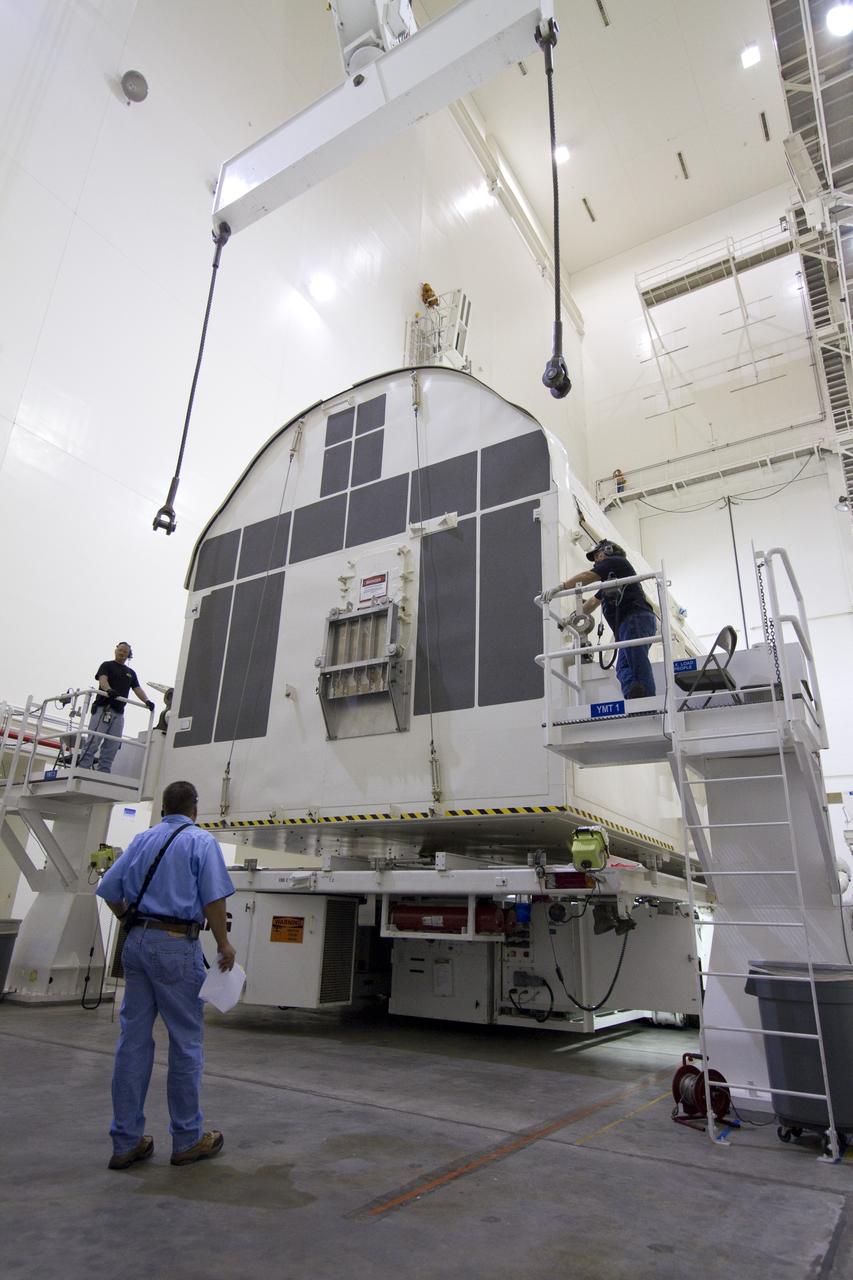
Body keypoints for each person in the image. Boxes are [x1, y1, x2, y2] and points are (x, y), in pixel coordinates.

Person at [96, 779, 236, 1170]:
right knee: (186, 1041)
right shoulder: (200, 841)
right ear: (195, 807)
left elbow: (108, 889)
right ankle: (188, 1139)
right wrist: (224, 945)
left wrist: (128, 919)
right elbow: (213, 899)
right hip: (176, 945)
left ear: (162, 807)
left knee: (133, 1041)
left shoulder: (142, 840)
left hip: (136, 943)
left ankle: (125, 1141)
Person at [544, 540, 657, 700]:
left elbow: (588, 576)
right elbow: (592, 602)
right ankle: (635, 695)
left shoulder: (617, 562)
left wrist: (561, 587)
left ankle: (648, 700)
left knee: (637, 660)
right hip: (629, 625)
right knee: (622, 667)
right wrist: (569, 620)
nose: (597, 560)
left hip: (635, 619)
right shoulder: (611, 582)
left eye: (598, 555)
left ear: (610, 551)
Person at [78, 642, 155, 773]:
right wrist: (108, 689)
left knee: (112, 745)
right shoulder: (107, 665)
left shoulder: (131, 673)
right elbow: (102, 680)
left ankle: (103, 772)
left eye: (125, 651)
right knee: (94, 740)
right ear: (116, 651)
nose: (122, 653)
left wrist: (147, 701)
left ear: (129, 654)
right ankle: (82, 770)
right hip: (104, 708)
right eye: (120, 650)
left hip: (119, 712)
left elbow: (137, 688)